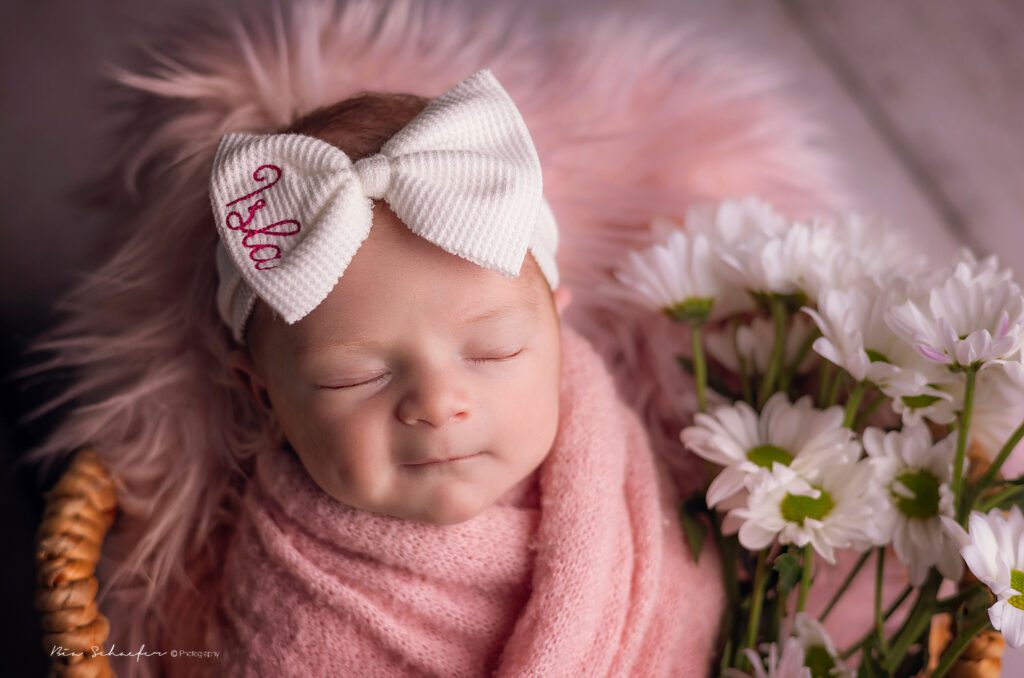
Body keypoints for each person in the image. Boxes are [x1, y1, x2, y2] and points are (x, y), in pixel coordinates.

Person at [155, 67, 724, 676]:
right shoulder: (291, 596)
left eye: (494, 351)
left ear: (558, 335)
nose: (437, 401)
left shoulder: (614, 466)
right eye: (355, 377)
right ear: (264, 396)